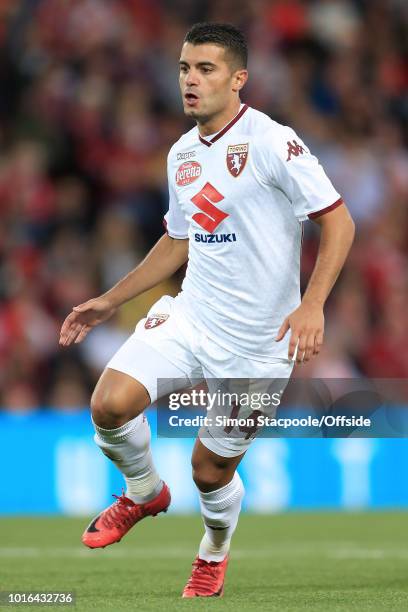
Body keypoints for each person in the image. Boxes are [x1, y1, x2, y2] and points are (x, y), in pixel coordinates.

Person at [59, 22, 355, 598]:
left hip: (259, 344)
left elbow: (338, 221)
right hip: (193, 314)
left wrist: (313, 304)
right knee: (109, 404)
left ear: (239, 79)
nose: (190, 81)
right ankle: (144, 491)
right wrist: (110, 300)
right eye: (184, 69)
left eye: (206, 69)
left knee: (209, 471)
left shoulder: (273, 142)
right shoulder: (182, 154)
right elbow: (178, 240)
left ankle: (213, 551)